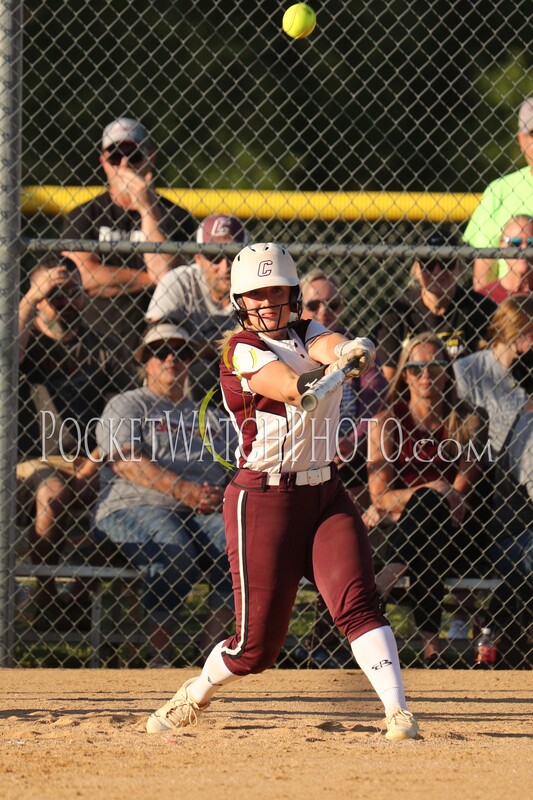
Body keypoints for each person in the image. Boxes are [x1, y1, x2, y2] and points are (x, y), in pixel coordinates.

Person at [146, 242, 419, 740]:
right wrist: (339, 368)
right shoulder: (240, 348)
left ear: (293, 297)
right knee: (257, 649)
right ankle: (195, 693)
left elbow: (325, 344)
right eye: (257, 296)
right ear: (240, 302)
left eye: (278, 294)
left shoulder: (305, 329)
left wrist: (345, 350)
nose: (268, 305)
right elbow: (295, 388)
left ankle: (397, 713)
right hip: (264, 501)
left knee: (359, 603)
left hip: (325, 494)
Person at [94, 321, 233, 665]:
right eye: (161, 351)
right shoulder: (127, 404)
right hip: (134, 503)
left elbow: (240, 467)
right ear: (145, 361)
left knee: (241, 552)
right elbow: (125, 461)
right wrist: (182, 489)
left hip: (204, 508)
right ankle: (160, 657)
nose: (172, 358)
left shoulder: (212, 416)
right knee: (175, 555)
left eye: (182, 352)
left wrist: (227, 497)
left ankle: (212, 657)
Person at [17, 256, 132, 626]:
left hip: (93, 456)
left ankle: (79, 599)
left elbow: (122, 413)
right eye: (54, 292)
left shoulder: (103, 346)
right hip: (35, 458)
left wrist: (93, 463)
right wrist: (28, 301)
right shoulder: (25, 343)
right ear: (36, 298)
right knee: (51, 494)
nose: (66, 300)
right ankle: (47, 601)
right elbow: (5, 360)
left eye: (73, 292)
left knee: (124, 498)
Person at [364, 333, 485, 665]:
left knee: (427, 512)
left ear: (447, 371)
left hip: (454, 534)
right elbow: (379, 494)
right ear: (405, 374)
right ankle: (432, 649)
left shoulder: (468, 422)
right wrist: (433, 488)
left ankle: (382, 584)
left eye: (435, 366)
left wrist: (402, 502)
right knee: (427, 515)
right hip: (420, 536)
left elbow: (458, 502)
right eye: (416, 367)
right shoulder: (386, 422)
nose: (425, 375)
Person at [62, 117, 196, 352]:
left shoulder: (174, 215)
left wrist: (146, 208)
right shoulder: (84, 214)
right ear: (103, 162)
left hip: (158, 347)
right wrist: (151, 279)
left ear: (150, 157)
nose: (124, 165)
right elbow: (86, 278)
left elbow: (164, 272)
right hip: (96, 344)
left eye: (133, 155)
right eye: (114, 156)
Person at [453, 297, 532, 667]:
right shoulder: (468, 371)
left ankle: (501, 629)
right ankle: (500, 628)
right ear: (507, 333)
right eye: (525, 334)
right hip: (489, 496)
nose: (529, 344)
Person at [146, 213, 249, 399]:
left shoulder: (254, 289)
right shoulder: (179, 281)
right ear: (199, 258)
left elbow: (257, 349)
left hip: (243, 380)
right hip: (185, 377)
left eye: (233, 255)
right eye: (214, 256)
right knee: (193, 371)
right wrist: (215, 348)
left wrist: (201, 348)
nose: (225, 267)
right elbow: (158, 343)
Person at [374, 229, 496, 381]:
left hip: (467, 399)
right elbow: (389, 384)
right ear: (416, 269)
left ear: (458, 267)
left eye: (447, 261)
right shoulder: (396, 313)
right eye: (428, 263)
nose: (438, 271)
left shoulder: (481, 309)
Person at [464, 98, 533, 291]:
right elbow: (483, 273)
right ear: (521, 140)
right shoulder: (500, 191)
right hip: (509, 309)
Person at [477, 216, 533, 304]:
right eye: (515, 243)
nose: (524, 250)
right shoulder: (484, 298)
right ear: (502, 246)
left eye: (531, 243)